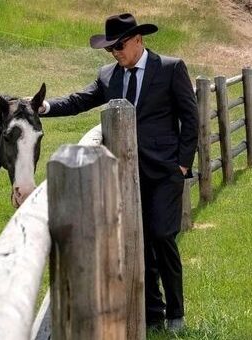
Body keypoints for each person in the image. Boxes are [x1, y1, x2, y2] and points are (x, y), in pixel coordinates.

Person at [40, 13, 198, 332]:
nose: (116, 53)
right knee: (137, 241)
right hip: (125, 175)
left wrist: (182, 163)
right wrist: (43, 108)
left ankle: (176, 315)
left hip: (165, 172)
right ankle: (153, 314)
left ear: (139, 39)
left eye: (120, 46)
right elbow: (78, 101)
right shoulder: (107, 75)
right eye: (111, 49)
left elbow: (190, 117)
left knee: (162, 236)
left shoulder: (170, 68)